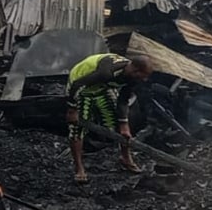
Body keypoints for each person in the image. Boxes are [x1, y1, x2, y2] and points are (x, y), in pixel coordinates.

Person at [66, 53, 153, 182]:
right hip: (81, 85)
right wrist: (72, 109)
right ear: (135, 69)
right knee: (76, 127)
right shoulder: (107, 72)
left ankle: (125, 158)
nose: (144, 79)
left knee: (123, 126)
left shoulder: (132, 76)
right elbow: (77, 84)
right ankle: (79, 168)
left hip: (103, 86)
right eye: (143, 75)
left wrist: (124, 124)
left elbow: (123, 100)